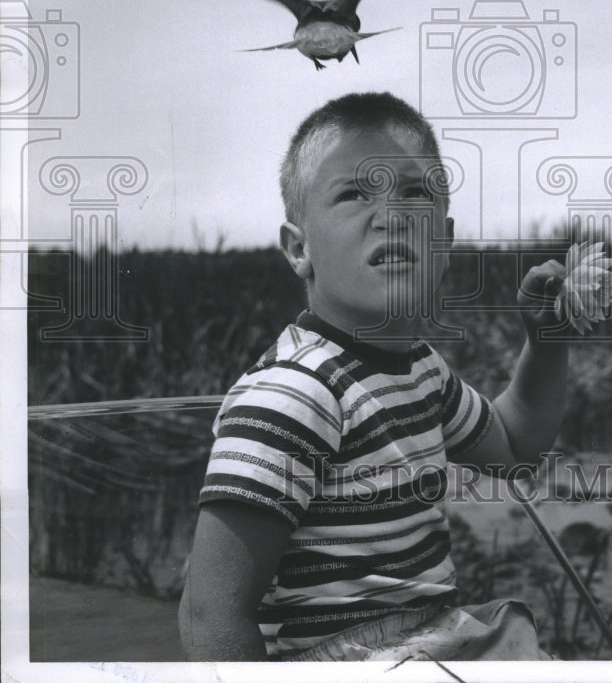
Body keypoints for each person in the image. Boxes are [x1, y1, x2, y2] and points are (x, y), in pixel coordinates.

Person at [178, 92, 569, 661]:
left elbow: (513, 447)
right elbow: (209, 614)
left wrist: (547, 341)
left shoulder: (420, 368)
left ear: (446, 237)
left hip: (433, 639)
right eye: (353, 193)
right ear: (298, 248)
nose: (391, 215)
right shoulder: (295, 394)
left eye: (415, 193)